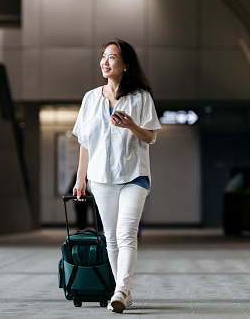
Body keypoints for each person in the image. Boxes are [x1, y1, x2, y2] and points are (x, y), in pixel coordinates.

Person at [72, 39, 161, 313]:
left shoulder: (141, 97)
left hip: (134, 176)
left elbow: (150, 137)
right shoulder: (90, 98)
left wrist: (131, 124)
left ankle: (121, 289)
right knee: (110, 236)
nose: (105, 62)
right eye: (103, 57)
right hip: (100, 178)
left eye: (112, 57)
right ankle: (120, 289)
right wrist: (80, 179)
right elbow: (85, 142)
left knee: (126, 234)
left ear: (126, 64)